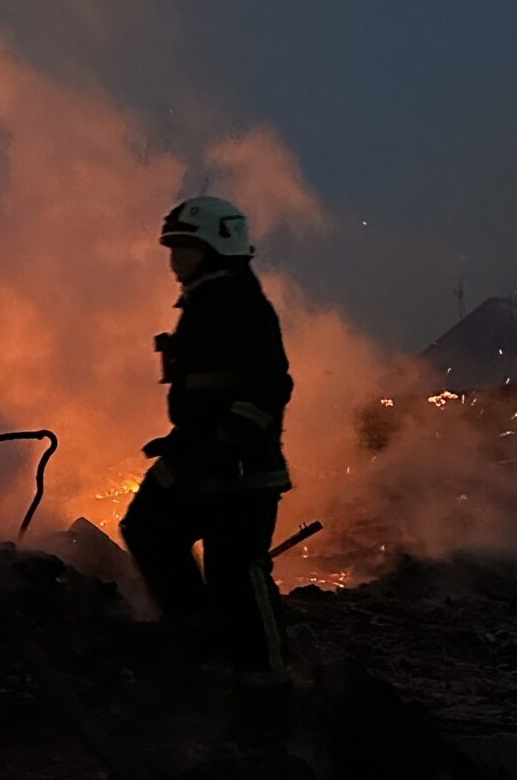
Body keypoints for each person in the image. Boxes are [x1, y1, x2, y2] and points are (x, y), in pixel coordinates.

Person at [119, 196, 294, 732]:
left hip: (241, 471)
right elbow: (208, 392)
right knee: (147, 526)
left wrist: (224, 442)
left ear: (217, 246)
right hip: (202, 460)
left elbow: (269, 385)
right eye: (173, 248)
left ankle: (267, 694)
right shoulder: (206, 302)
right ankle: (197, 627)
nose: (175, 259)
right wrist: (180, 443)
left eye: (185, 247)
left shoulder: (239, 302)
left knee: (237, 573)